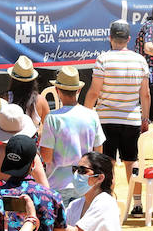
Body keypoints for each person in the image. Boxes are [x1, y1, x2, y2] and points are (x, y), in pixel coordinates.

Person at [86, 19, 151, 213]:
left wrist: (86, 113)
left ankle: (108, 203)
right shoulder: (140, 60)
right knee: (132, 161)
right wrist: (145, 118)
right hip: (131, 119)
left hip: (106, 119)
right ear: (129, 39)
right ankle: (137, 203)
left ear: (110, 38)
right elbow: (145, 94)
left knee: (107, 163)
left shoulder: (103, 59)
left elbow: (94, 92)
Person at [39, 67, 104, 204]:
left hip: (58, 185)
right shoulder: (92, 115)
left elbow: (46, 157)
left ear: (57, 90)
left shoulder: (52, 118)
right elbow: (98, 154)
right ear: (78, 90)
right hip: (85, 184)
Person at [5, 56, 50, 129]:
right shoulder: (40, 100)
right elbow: (50, 128)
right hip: (33, 136)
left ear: (13, 79)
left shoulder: (5, 99)